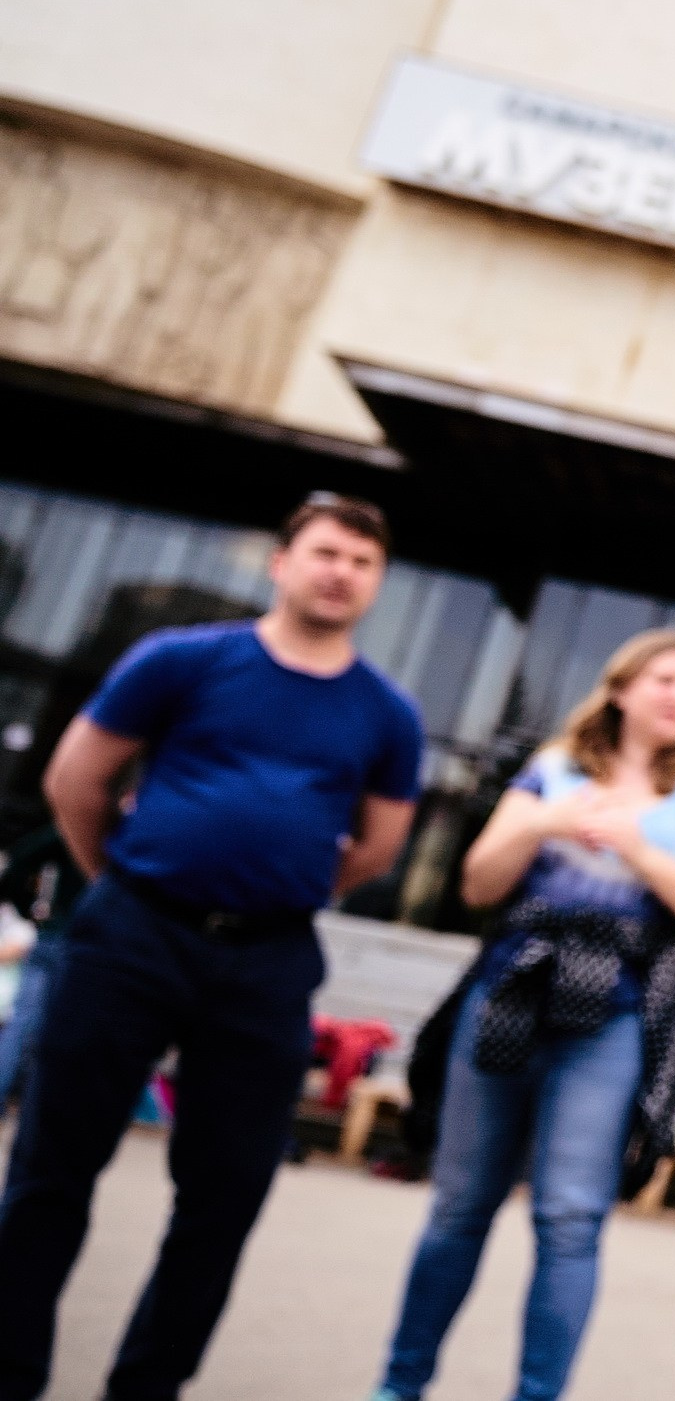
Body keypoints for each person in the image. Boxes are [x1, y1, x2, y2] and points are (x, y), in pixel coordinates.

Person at [0, 493, 424, 1401]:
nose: (341, 570)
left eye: (361, 560)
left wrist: (276, 885)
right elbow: (77, 776)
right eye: (325, 551)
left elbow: (380, 846)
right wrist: (124, 880)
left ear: (377, 583)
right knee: (51, 1166)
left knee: (225, 1193)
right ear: (281, 561)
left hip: (267, 962)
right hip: (133, 934)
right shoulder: (182, 660)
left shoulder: (387, 713)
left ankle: (146, 1386)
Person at [367, 628, 675, 1401]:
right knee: (457, 1206)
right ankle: (398, 1386)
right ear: (619, 689)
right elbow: (477, 884)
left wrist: (637, 849)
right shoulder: (550, 770)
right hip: (509, 994)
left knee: (571, 1217)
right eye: (663, 679)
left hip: (611, 1016)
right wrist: (543, 823)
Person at [0, 825, 87, 1110]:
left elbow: (18, 865)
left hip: (57, 932)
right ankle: (47, 1106)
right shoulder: (121, 830)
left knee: (24, 1022)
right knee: (69, 1025)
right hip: (87, 939)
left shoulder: (78, 828)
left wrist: (30, 910)